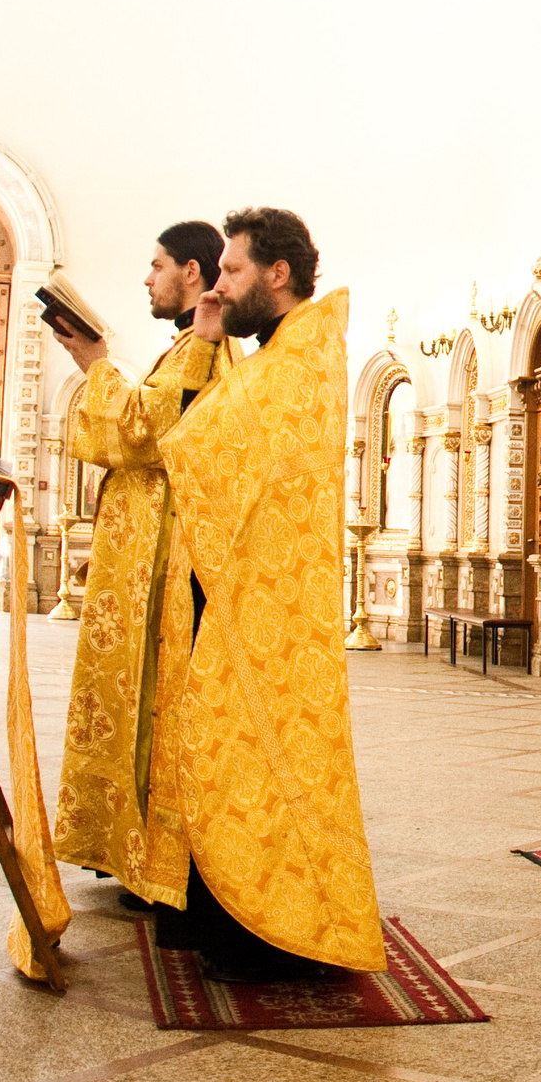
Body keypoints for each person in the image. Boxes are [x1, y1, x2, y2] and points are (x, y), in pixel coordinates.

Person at [158, 207, 387, 981]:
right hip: (252, 590)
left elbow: (193, 441)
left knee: (255, 758)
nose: (217, 285)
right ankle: (244, 915)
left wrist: (205, 348)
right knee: (232, 753)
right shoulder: (283, 352)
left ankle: (272, 928)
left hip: (267, 598)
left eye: (230, 270)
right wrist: (213, 343)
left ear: (276, 273)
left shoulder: (297, 360)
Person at [48, 221, 234, 914]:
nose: (146, 279)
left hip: (165, 569)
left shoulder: (205, 351)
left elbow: (141, 432)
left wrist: (97, 361)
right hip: (142, 566)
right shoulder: (188, 348)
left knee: (157, 710)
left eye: (155, 266)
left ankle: (161, 858)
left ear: (191, 270)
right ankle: (134, 849)